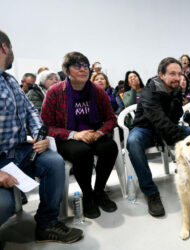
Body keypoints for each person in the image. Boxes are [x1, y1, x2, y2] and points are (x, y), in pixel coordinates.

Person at [0, 29, 83, 243]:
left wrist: (40, 136)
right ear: (4, 48)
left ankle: (47, 224)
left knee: (54, 162)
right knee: (4, 205)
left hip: (20, 151)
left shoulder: (9, 82)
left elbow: (31, 112)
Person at [41, 52, 118, 219]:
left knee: (110, 147)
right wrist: (74, 134)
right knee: (82, 152)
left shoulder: (97, 90)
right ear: (67, 71)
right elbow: (46, 126)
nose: (83, 69)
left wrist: (99, 132)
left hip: (92, 134)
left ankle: (99, 191)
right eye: (77, 66)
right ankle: (88, 194)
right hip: (68, 137)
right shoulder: (55, 92)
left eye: (85, 65)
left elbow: (111, 118)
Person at [126, 57, 190, 217]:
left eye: (179, 73)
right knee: (133, 141)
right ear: (161, 75)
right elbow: (157, 119)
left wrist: (176, 100)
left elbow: (175, 115)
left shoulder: (176, 89)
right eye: (172, 73)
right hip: (146, 129)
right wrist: (180, 137)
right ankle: (151, 192)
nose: (177, 77)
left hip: (165, 127)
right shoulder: (149, 90)